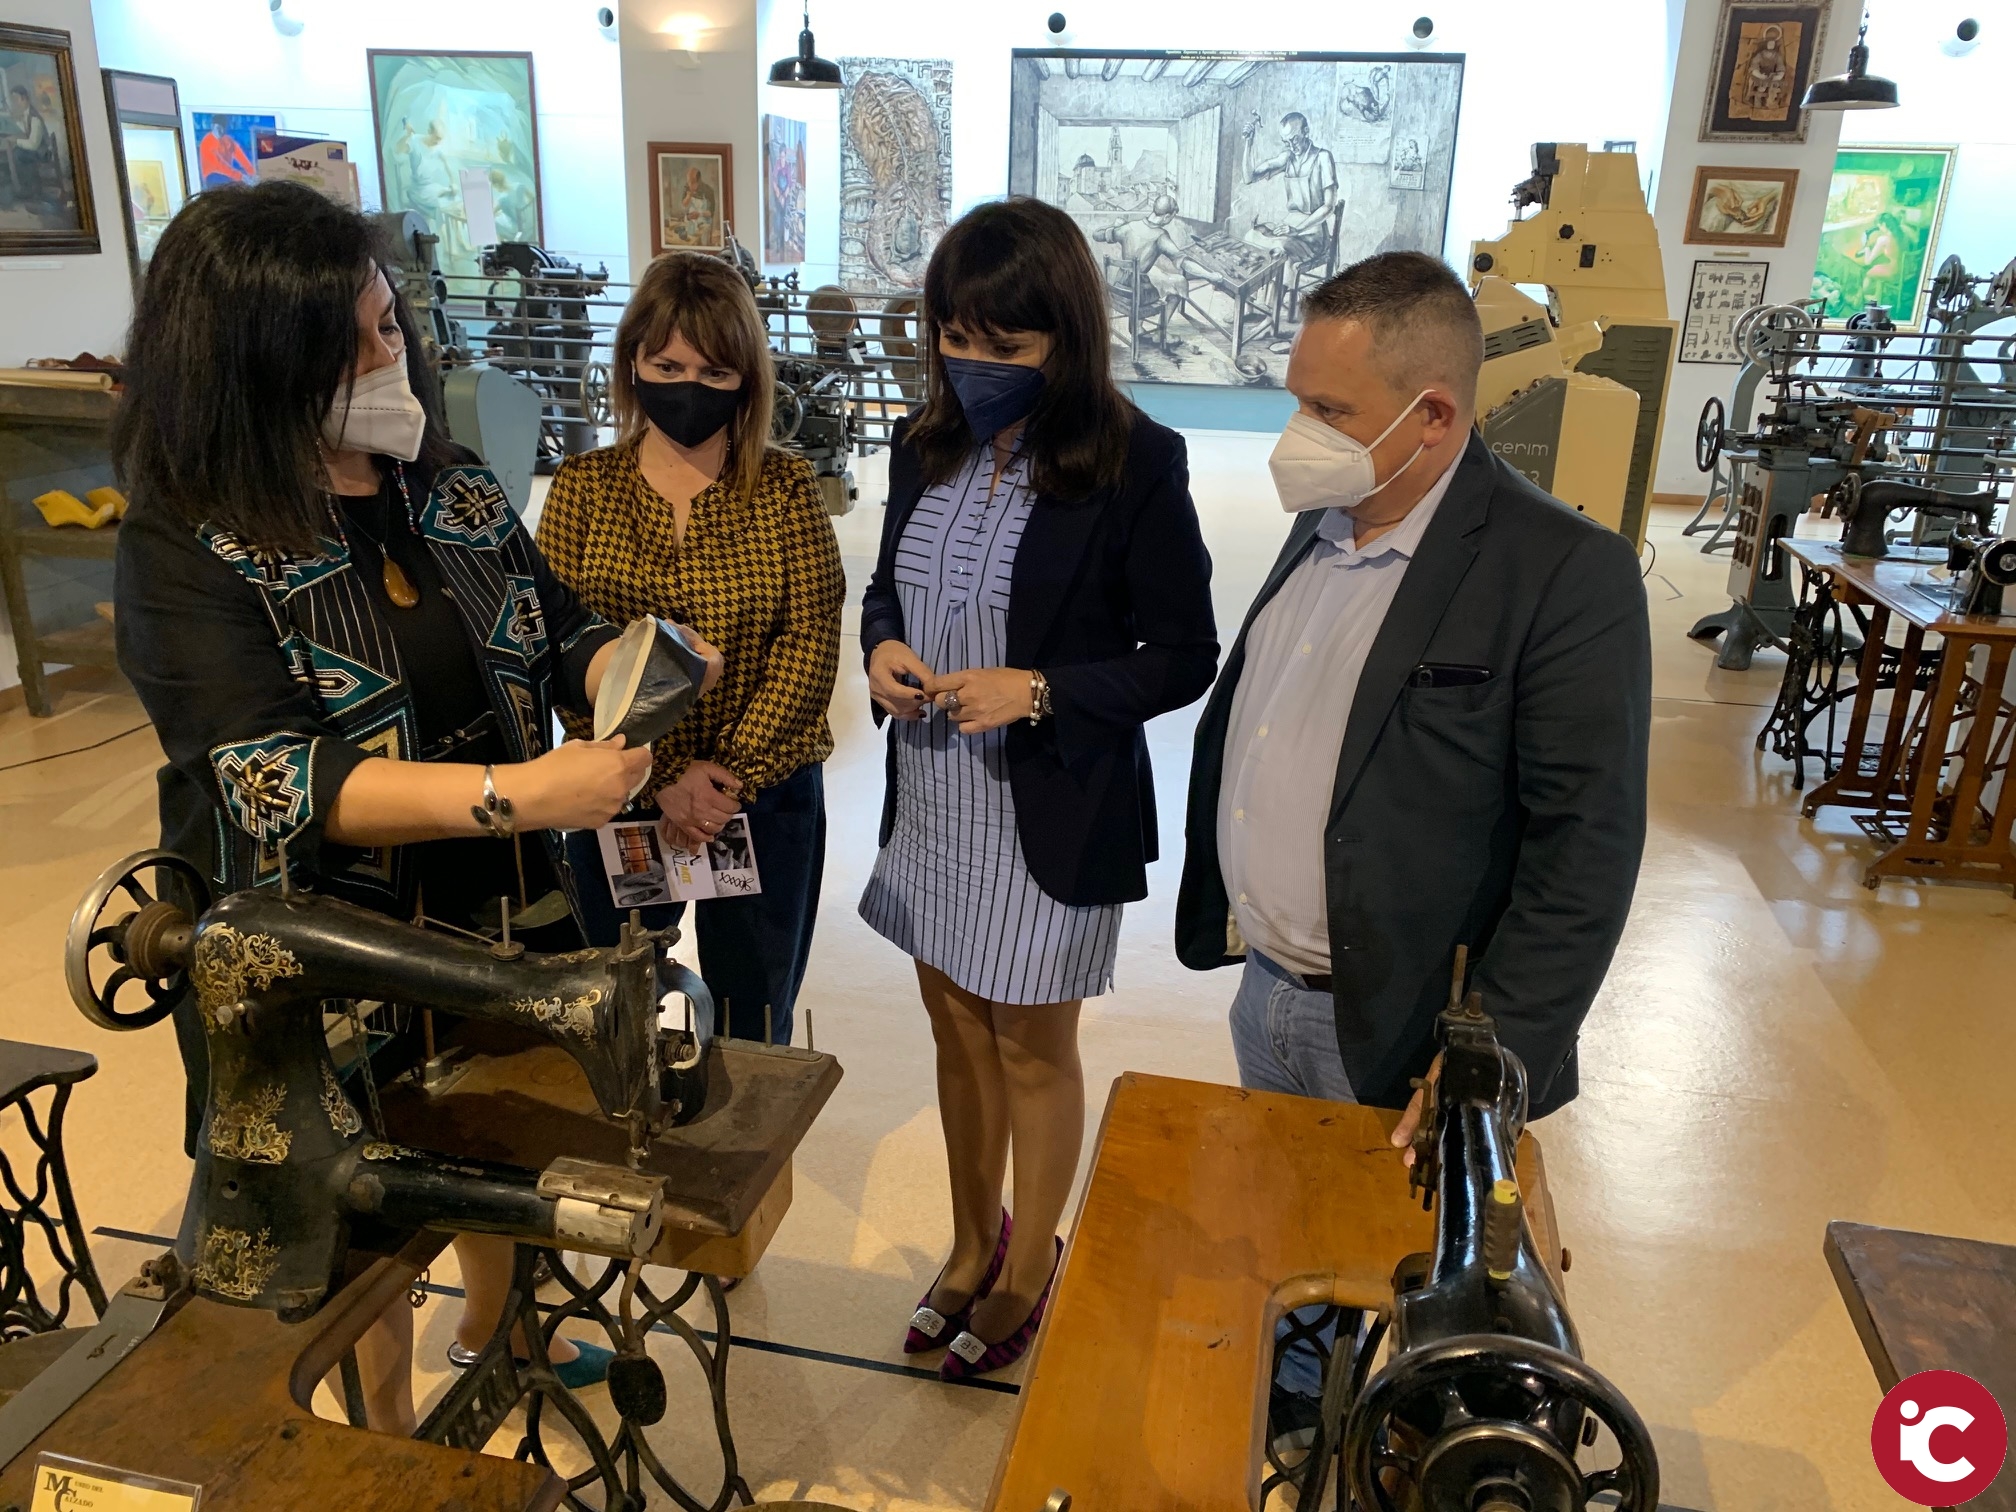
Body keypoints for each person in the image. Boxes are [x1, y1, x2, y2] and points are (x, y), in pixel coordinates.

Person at [112, 181, 721, 1435]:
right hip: (316, 937)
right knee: (357, 1214)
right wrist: (518, 793)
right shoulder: (190, 540)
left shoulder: (445, 484)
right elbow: (274, 773)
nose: (390, 358)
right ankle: (386, 1435)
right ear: (255, 366)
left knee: (492, 1140)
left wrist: (621, 666)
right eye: (351, 345)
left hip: (493, 905)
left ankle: (504, 1330)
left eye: (390, 323)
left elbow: (550, 628)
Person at [1175, 251, 1650, 1436]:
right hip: (1272, 994)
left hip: (1411, 1034)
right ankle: (1298, 1411)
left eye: (1328, 410)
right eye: (1299, 399)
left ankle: (1405, 1442)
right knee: (1293, 1243)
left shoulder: (1561, 572)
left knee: (1422, 1292)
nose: (1299, 434)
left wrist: (1491, 1054)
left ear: (1431, 416)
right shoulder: (1326, 526)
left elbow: (1586, 847)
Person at [858, 198, 1218, 1379]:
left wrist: (1043, 690)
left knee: (1028, 1043)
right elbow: (887, 587)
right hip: (934, 794)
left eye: (1004, 345)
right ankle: (974, 1242)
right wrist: (881, 648)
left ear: (1066, 336)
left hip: (1049, 804)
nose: (974, 364)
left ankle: (1030, 1261)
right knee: (954, 1028)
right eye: (955, 337)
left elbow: (1184, 654)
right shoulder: (927, 444)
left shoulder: (1134, 461)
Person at [538, 250, 843, 1046]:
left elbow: (809, 641)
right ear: (632, 363)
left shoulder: (787, 488)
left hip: (762, 792)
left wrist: (726, 778)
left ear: (747, 378)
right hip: (620, 791)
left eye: (714, 371)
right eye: (667, 366)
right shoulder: (583, 486)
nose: (689, 387)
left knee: (755, 1017)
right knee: (613, 1007)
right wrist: (664, 774)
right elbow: (554, 641)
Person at [1243, 112, 1340, 269]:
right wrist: (1249, 143)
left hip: (1312, 233)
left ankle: (1277, 285)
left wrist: (1297, 230)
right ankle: (1258, 285)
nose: (1292, 147)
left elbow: (1329, 206)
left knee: (1279, 249)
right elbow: (1249, 178)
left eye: (1294, 139)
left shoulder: (1323, 157)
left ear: (1306, 131)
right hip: (1289, 227)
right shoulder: (1287, 158)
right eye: (1286, 142)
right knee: (1250, 236)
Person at [197, 115, 254, 189]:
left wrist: (252, 172)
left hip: (229, 175)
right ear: (212, 126)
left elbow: (241, 156)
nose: (221, 131)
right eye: (218, 128)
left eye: (223, 128)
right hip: (213, 176)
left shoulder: (228, 140)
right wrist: (241, 176)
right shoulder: (207, 142)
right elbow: (219, 165)